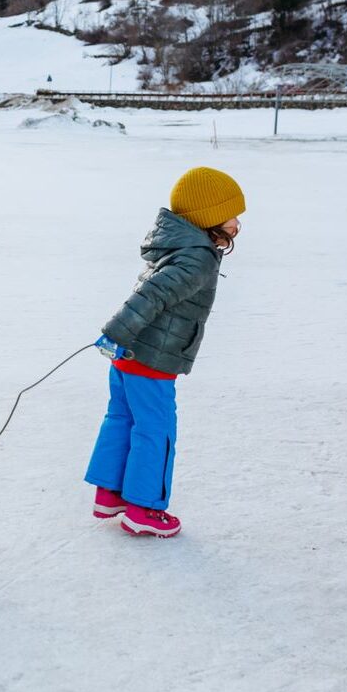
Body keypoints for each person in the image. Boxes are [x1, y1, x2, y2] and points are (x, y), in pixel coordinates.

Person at [85, 167, 246, 538]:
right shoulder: (197, 257)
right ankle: (144, 508)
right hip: (151, 360)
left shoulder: (177, 245)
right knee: (156, 429)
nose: (237, 224)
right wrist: (116, 331)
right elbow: (153, 295)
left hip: (130, 353)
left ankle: (110, 494)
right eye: (230, 216)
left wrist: (119, 338)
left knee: (122, 418)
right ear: (206, 218)